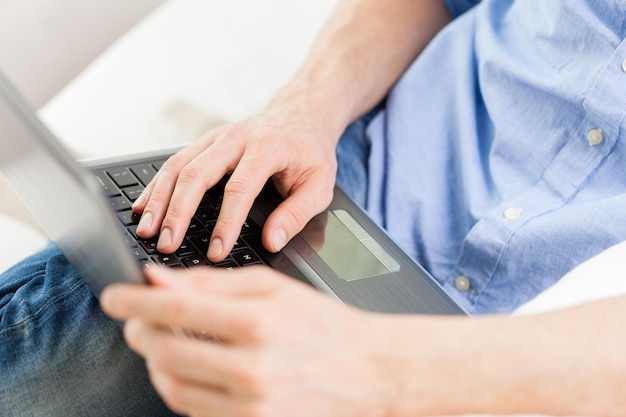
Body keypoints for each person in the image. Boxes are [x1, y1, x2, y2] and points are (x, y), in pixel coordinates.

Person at [2, 0, 626, 415]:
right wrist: (303, 111)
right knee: (89, 334)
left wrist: (390, 371)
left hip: (547, 369)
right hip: (340, 196)